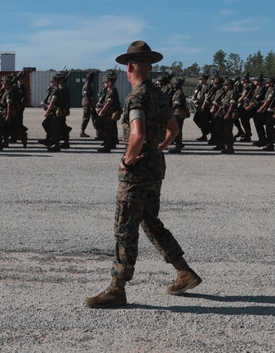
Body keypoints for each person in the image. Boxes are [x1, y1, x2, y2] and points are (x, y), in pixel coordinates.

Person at [85, 41, 202, 309]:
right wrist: (157, 148)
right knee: (150, 221)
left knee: (125, 229)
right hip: (155, 167)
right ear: (149, 67)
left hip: (136, 173)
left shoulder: (135, 97)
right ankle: (184, 271)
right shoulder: (160, 95)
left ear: (129, 67)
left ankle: (117, 289)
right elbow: (173, 128)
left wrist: (127, 161)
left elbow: (136, 134)